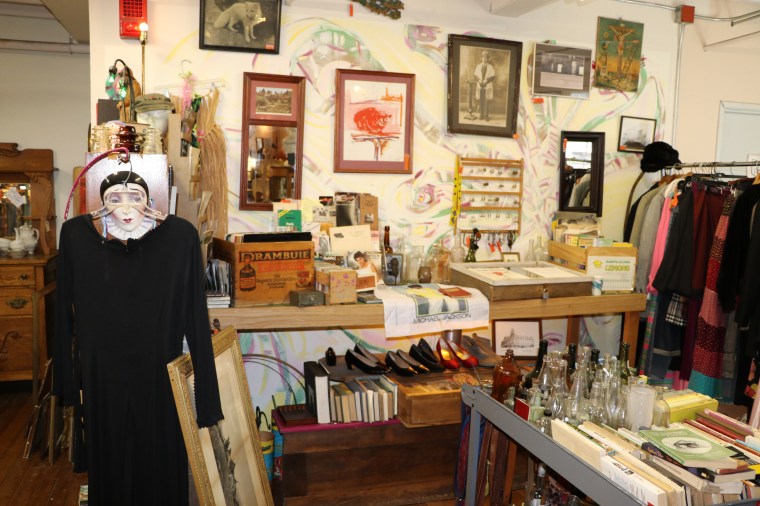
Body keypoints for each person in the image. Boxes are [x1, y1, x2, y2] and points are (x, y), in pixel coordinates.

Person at [53, 169, 223, 504]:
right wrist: (68, 384)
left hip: (160, 375)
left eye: (136, 197)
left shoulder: (181, 238)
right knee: (110, 461)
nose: (126, 207)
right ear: (102, 203)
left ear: (150, 201)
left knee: (160, 458)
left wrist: (206, 395)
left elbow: (195, 315)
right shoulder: (74, 237)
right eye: (114, 199)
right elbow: (62, 315)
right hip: (101, 378)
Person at [473, 50, 496, 121]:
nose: (484, 59)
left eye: (486, 58)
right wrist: (479, 80)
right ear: (481, 58)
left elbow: (493, 76)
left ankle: (486, 116)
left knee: (486, 101)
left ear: (487, 59)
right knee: (481, 100)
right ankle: (481, 115)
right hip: (480, 85)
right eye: (483, 57)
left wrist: (487, 80)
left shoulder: (490, 67)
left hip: (487, 85)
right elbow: (475, 75)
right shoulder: (478, 66)